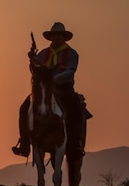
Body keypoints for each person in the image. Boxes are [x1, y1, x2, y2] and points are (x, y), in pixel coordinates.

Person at [12, 22, 86, 157]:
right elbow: (35, 71)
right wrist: (32, 60)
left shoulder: (71, 53)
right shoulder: (43, 53)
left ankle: (75, 143)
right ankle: (24, 143)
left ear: (64, 37)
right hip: (44, 89)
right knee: (24, 108)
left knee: (76, 108)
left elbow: (70, 71)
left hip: (63, 88)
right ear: (51, 37)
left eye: (59, 36)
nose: (56, 38)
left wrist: (53, 79)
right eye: (54, 36)